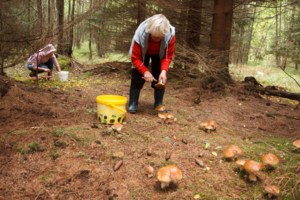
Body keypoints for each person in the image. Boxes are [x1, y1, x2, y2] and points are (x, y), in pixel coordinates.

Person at [128, 14, 175, 113]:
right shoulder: (140, 33)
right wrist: (145, 72)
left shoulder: (170, 34)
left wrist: (164, 71)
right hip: (142, 53)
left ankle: (158, 103)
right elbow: (135, 57)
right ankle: (133, 103)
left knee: (159, 76)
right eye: (154, 36)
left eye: (160, 37)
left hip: (159, 54)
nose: (156, 39)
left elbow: (167, 56)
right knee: (137, 74)